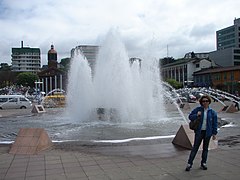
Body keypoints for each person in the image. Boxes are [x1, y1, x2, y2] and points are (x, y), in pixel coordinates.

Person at [185, 94, 218, 171]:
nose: (205, 102)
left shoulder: (212, 112)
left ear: (209, 102)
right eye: (203, 101)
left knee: (205, 148)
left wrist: (214, 133)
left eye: (206, 101)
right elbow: (190, 117)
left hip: (208, 133)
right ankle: (189, 163)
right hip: (199, 132)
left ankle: (203, 163)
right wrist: (197, 115)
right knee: (195, 148)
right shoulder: (198, 109)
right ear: (201, 102)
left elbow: (215, 123)